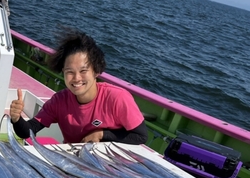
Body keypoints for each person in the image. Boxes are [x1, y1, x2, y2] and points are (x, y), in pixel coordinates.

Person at [10, 29, 148, 145]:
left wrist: (102, 134)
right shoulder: (59, 101)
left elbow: (141, 136)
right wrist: (16, 119)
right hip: (73, 161)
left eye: (83, 71)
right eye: (69, 72)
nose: (76, 78)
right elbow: (28, 131)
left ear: (96, 71)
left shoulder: (117, 98)